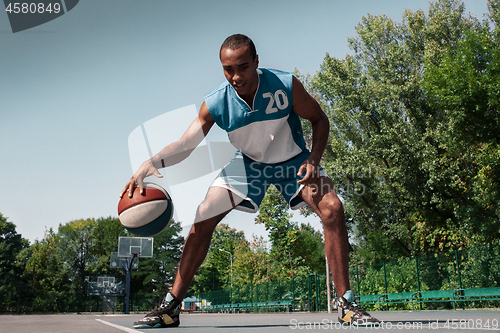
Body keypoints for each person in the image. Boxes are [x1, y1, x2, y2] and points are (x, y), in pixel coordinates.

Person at [120, 34, 380, 328]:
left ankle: (346, 303)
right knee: (203, 217)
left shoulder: (284, 85)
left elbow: (320, 119)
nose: (235, 76)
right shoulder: (217, 102)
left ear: (256, 62)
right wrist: (151, 162)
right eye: (227, 69)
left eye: (242, 67)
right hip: (248, 165)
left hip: (293, 161)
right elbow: (185, 144)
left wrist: (314, 160)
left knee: (332, 208)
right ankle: (170, 307)